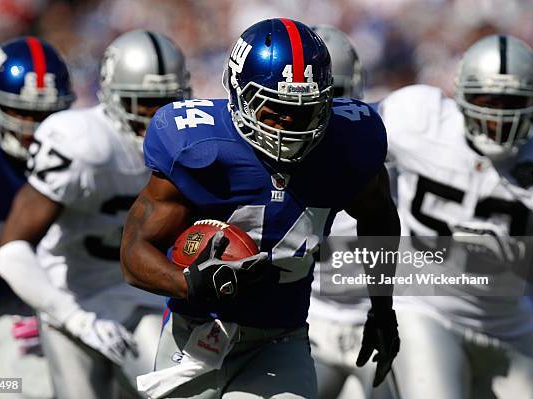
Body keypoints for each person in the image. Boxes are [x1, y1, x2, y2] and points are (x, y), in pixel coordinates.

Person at [120, 18, 400, 399]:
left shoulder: (349, 145)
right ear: (239, 96)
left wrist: (382, 310)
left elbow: (379, 219)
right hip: (197, 333)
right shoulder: (198, 146)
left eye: (302, 112)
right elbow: (134, 251)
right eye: (274, 110)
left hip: (280, 340)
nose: (288, 127)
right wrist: (188, 284)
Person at [0, 29, 192, 399]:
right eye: (143, 104)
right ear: (114, 98)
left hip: (143, 300)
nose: (156, 117)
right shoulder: (82, 142)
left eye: (167, 102)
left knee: (176, 392)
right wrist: (73, 317)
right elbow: (11, 252)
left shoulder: (194, 142)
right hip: (74, 300)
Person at [379, 35, 533, 398]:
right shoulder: (419, 118)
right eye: (488, 101)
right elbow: (349, 148)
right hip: (425, 309)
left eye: (513, 103)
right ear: (460, 94)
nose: (499, 116)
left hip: (507, 322)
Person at [0, 36, 75, 399]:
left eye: (45, 115)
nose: (32, 128)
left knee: (29, 390)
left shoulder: (75, 154)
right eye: (19, 112)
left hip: (7, 312)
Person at [307, 24, 392, 399]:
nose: (316, 113)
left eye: (332, 96)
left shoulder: (386, 132)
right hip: (306, 317)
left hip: (378, 311)